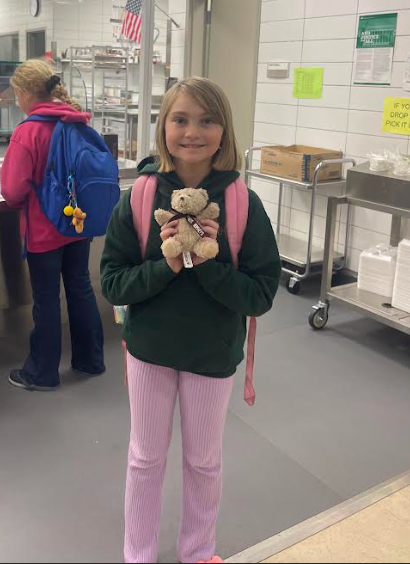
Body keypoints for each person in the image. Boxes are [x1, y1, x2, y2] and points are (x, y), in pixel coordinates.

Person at [101, 77, 281, 564]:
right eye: (180, 119)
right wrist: (167, 267)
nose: (193, 132)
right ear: (164, 128)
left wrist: (208, 266)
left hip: (211, 353)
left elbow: (261, 293)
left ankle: (198, 550)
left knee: (204, 462)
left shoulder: (243, 203)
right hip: (149, 352)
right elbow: (114, 282)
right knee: (144, 459)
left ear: (224, 131)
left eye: (207, 120)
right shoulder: (139, 196)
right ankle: (137, 553)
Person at [1, 58, 105, 391]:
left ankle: (42, 373)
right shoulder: (77, 122)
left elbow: (12, 191)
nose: (17, 100)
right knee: (80, 288)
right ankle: (90, 360)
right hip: (78, 225)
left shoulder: (28, 131)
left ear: (28, 92)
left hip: (44, 230)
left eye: (17, 94)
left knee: (47, 300)